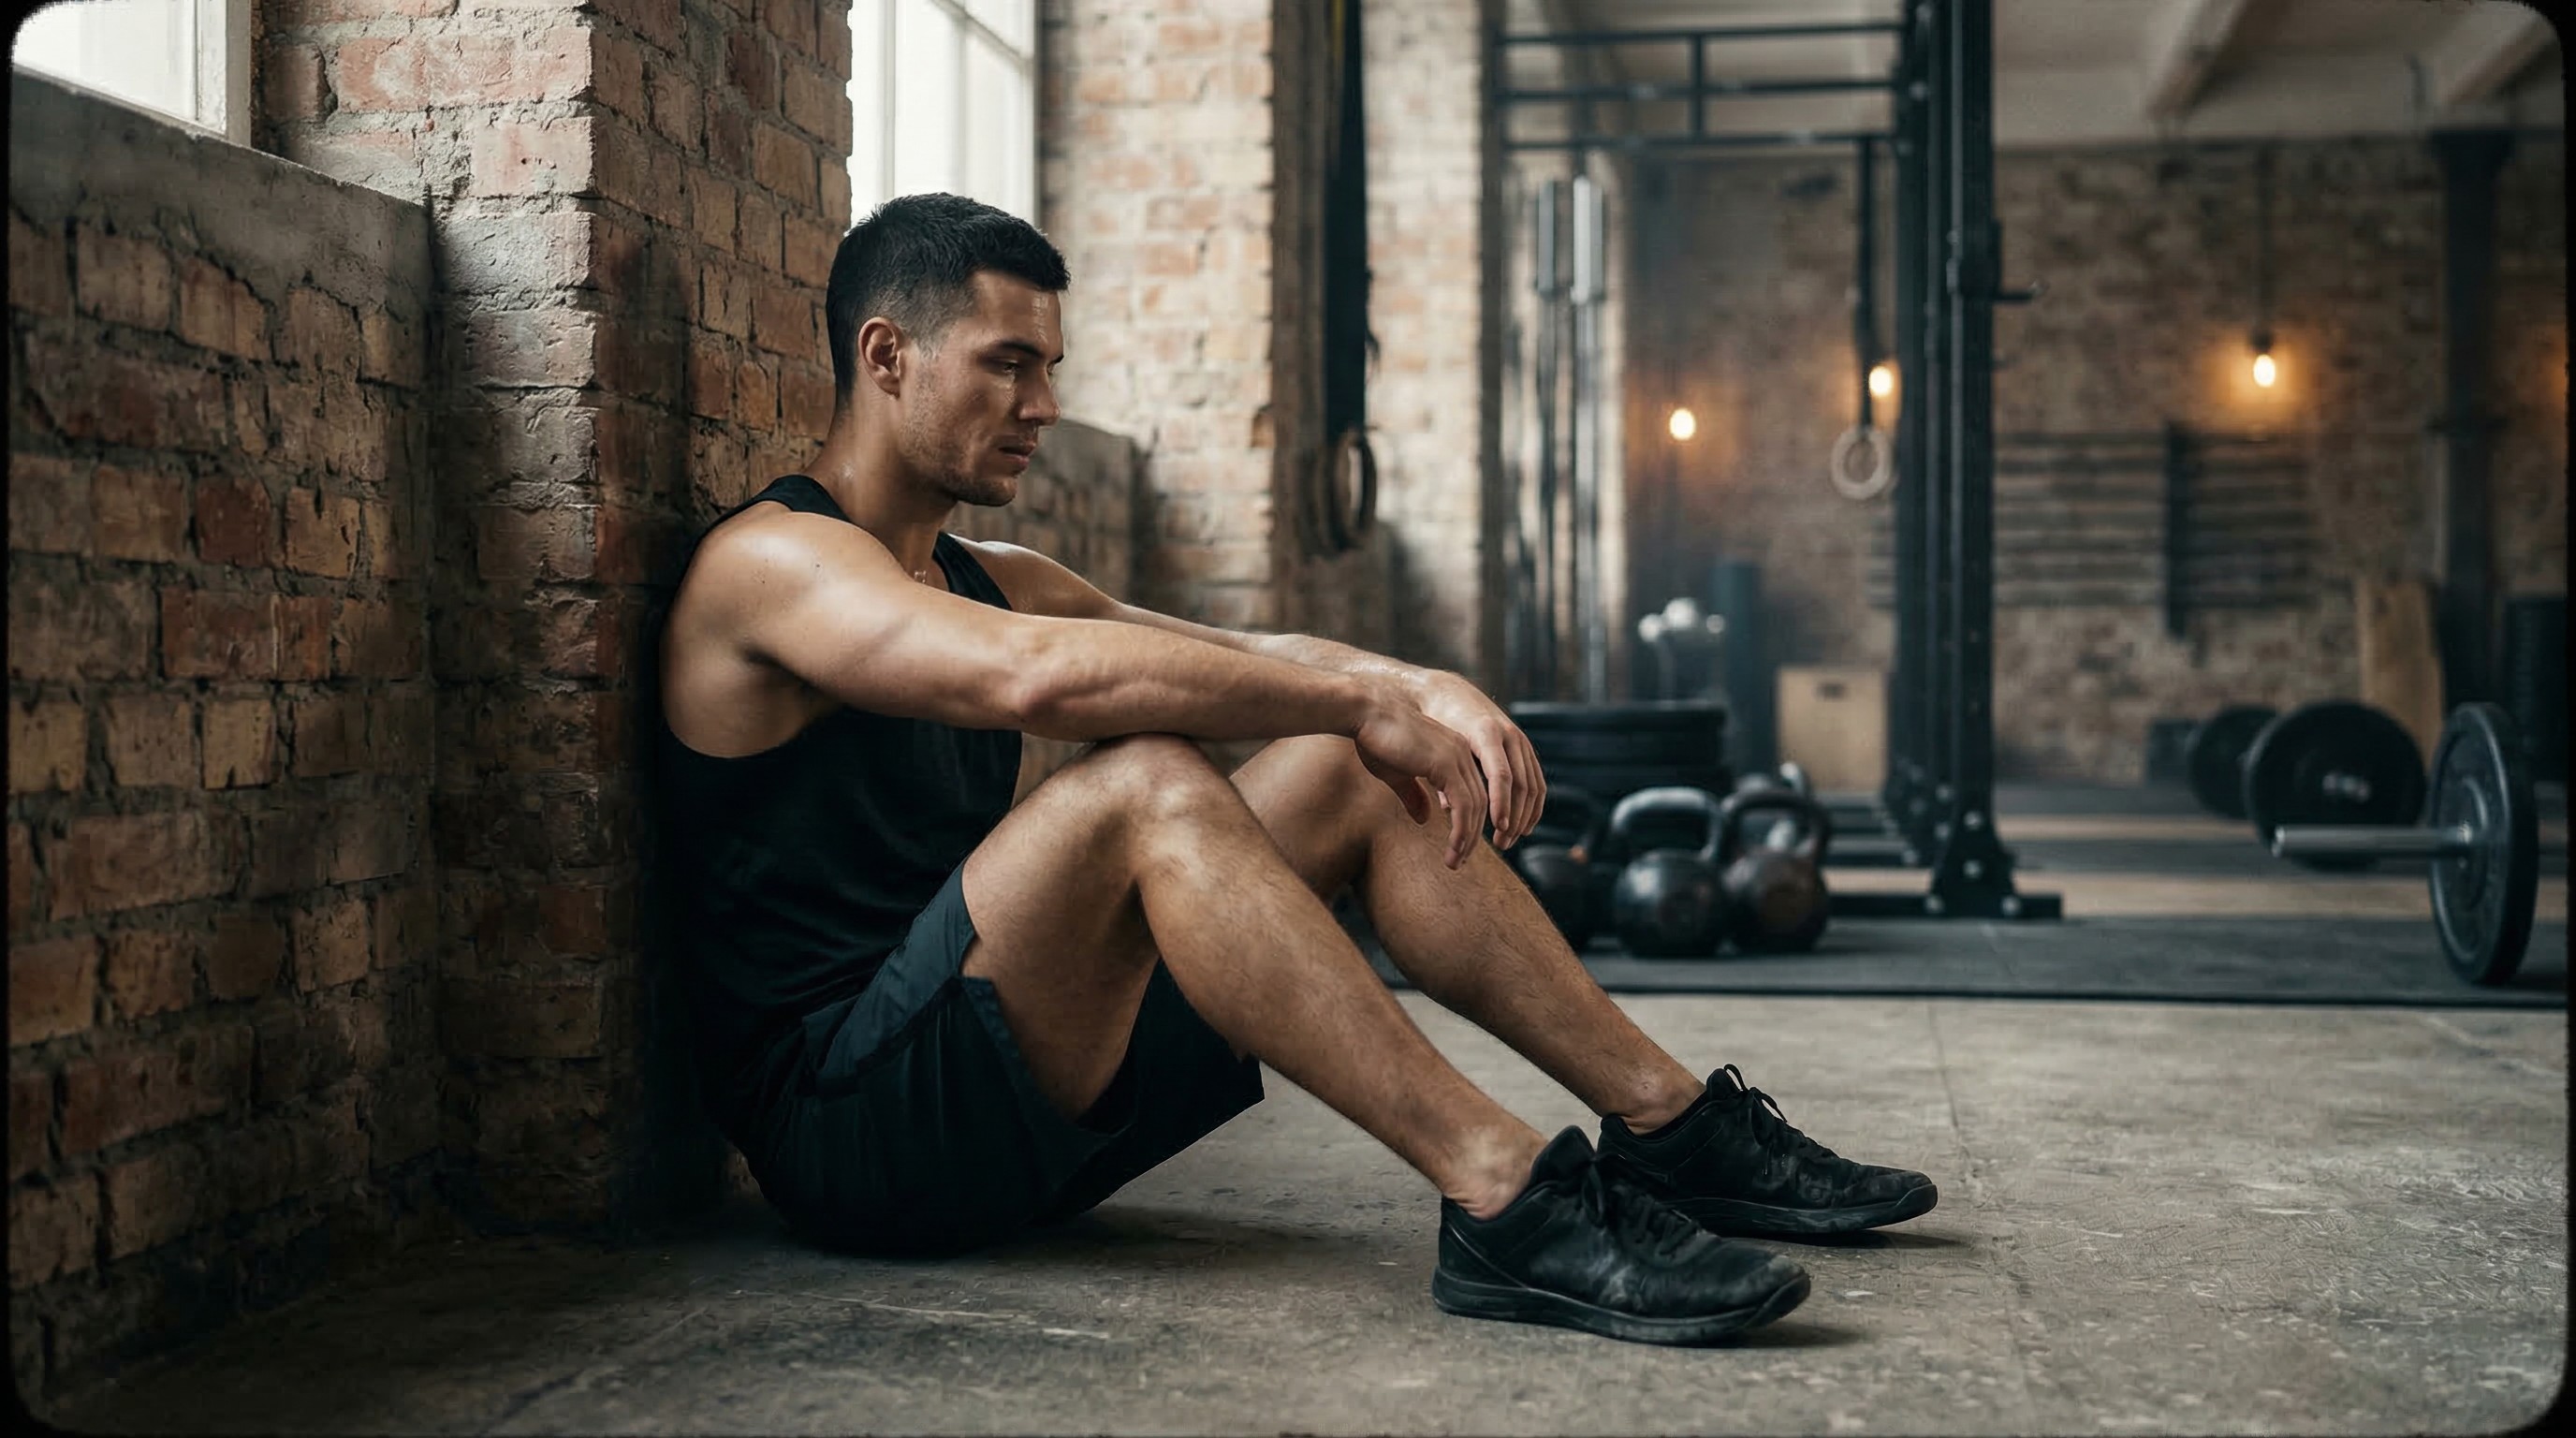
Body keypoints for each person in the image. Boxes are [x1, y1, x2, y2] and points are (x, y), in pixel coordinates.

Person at [653, 193, 1936, 1346]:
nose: (1042, 405)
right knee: (1148, 785)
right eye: (1008, 363)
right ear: (886, 356)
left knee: (1339, 767)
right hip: (857, 1133)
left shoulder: (988, 576)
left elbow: (1237, 652)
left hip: (1009, 1087)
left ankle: (1673, 1128)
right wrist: (1366, 702)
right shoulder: (772, 565)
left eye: (1050, 369)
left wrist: (1409, 689)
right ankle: (1504, 1192)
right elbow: (1032, 682)